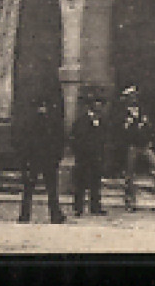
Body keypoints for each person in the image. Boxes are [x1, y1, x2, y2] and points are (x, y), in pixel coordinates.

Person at [15, 91, 66, 224]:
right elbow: (23, 141)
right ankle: (25, 215)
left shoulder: (51, 123)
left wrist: (57, 156)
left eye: (44, 106)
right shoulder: (31, 123)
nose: (42, 109)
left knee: (50, 189)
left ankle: (54, 214)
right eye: (40, 106)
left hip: (46, 159)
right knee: (30, 188)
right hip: (34, 159)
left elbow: (60, 140)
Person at [119, 87, 155, 209]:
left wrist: (149, 138)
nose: (134, 99)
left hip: (144, 145)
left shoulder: (142, 111)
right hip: (131, 146)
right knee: (129, 174)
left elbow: (149, 127)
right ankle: (130, 200)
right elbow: (121, 131)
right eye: (131, 96)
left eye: (135, 96)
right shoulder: (122, 113)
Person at [70, 89, 111, 216]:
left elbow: (104, 138)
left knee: (95, 182)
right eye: (96, 103)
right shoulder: (81, 121)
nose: (98, 106)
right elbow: (76, 138)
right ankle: (78, 207)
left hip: (97, 156)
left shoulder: (102, 121)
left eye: (100, 103)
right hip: (83, 157)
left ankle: (95, 207)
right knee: (81, 183)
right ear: (91, 105)